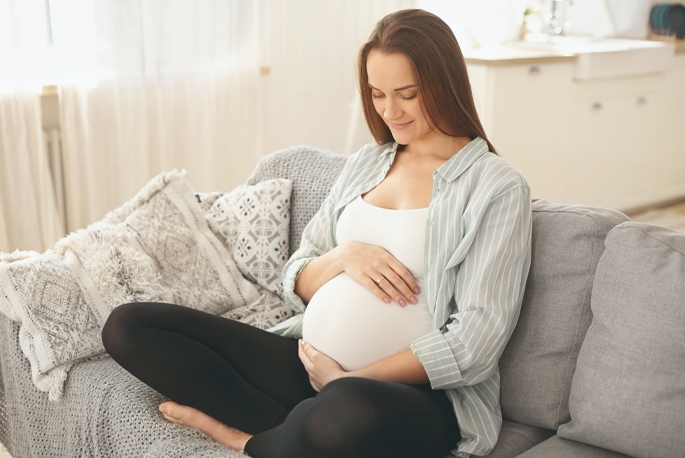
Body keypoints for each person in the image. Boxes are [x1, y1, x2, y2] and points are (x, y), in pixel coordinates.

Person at [102, 8, 532, 458]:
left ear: (445, 84)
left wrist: (348, 380)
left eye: (407, 94)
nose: (389, 111)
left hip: (413, 400)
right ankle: (296, 429)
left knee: (345, 412)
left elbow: (476, 340)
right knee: (128, 327)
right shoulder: (368, 163)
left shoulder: (495, 186)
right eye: (378, 93)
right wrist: (344, 256)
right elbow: (298, 278)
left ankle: (248, 440)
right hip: (307, 365)